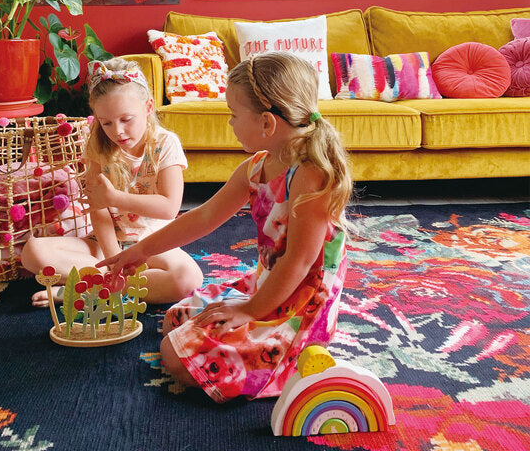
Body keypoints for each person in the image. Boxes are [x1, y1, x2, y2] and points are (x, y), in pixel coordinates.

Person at [98, 53, 352, 403]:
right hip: (270, 282)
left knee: (176, 357)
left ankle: (295, 363)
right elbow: (202, 218)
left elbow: (299, 261)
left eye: (234, 115)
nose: (230, 123)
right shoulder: (257, 166)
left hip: (300, 299)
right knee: (177, 318)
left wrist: (249, 310)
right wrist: (140, 251)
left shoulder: (310, 174)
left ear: (267, 123)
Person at [22, 57, 203, 307]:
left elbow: (169, 207)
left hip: (152, 242)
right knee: (33, 253)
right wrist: (115, 260)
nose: (117, 131)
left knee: (187, 280)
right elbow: (100, 213)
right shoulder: (98, 145)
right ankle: (110, 284)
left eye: (126, 119)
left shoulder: (165, 143)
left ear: (148, 107)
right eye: (106, 122)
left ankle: (88, 288)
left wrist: (115, 199)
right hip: (107, 244)